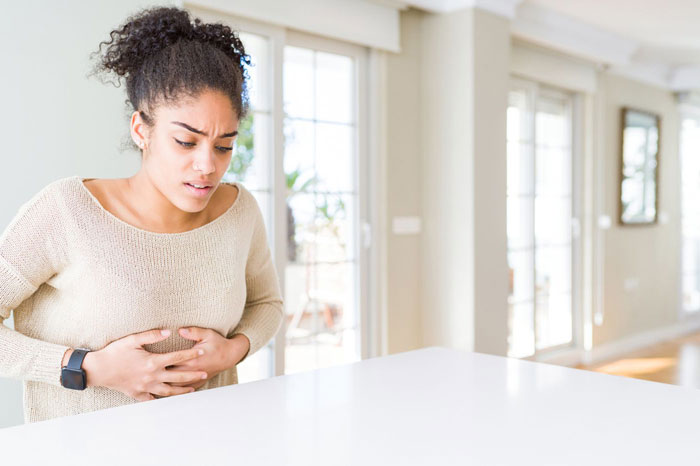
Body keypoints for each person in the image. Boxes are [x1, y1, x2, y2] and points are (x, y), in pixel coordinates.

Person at [0, 6, 284, 424]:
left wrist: (234, 349)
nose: (208, 165)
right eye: (186, 142)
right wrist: (86, 366)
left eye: (224, 145)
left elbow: (268, 304)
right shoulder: (66, 213)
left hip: (213, 441)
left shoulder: (239, 212)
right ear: (141, 130)